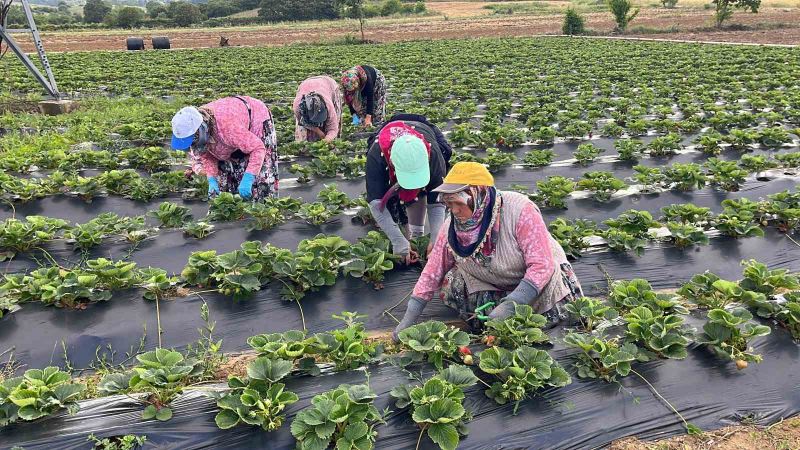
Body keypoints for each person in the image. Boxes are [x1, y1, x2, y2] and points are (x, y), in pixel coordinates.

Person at [393, 162, 583, 338]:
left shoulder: (520, 210)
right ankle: (496, 310)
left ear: (479, 194)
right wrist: (409, 319)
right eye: (449, 204)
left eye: (459, 203)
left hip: (535, 280)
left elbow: (542, 266)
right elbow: (432, 272)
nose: (455, 211)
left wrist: (512, 304)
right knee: (452, 281)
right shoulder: (451, 226)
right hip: (492, 280)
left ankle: (512, 307)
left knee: (531, 324)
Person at [366, 115, 452, 264]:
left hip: (424, 127)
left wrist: (436, 239)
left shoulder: (434, 155)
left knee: (424, 190)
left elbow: (437, 200)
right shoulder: (376, 156)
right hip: (388, 131)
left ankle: (417, 235)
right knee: (391, 202)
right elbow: (376, 203)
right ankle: (406, 237)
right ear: (392, 163)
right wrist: (398, 241)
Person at [171, 96, 278, 201]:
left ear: (201, 131)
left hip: (256, 118)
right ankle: (240, 208)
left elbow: (257, 148)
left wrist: (249, 177)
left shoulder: (227, 127)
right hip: (233, 132)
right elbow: (207, 156)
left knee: (261, 177)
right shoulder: (198, 134)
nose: (192, 145)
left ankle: (264, 205)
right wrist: (212, 179)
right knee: (230, 180)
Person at [293, 76, 343, 143]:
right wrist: (318, 131)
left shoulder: (328, 106)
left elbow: (333, 128)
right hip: (306, 85)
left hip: (328, 84)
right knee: (303, 132)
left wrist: (327, 140)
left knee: (332, 128)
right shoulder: (298, 106)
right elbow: (303, 122)